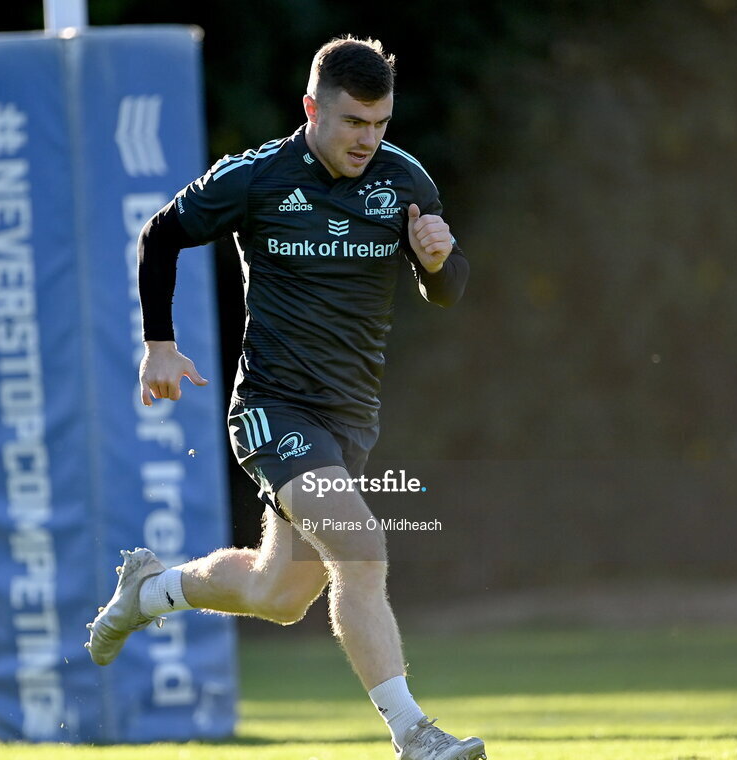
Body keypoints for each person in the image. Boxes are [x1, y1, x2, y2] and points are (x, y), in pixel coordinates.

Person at [85, 36, 485, 760]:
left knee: (280, 595)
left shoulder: (404, 181)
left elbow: (449, 289)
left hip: (349, 417)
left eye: (380, 124)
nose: (369, 140)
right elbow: (161, 235)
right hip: (274, 407)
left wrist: (435, 262)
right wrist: (160, 343)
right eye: (353, 123)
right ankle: (414, 734)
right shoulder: (259, 177)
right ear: (312, 109)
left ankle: (149, 589)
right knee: (362, 554)